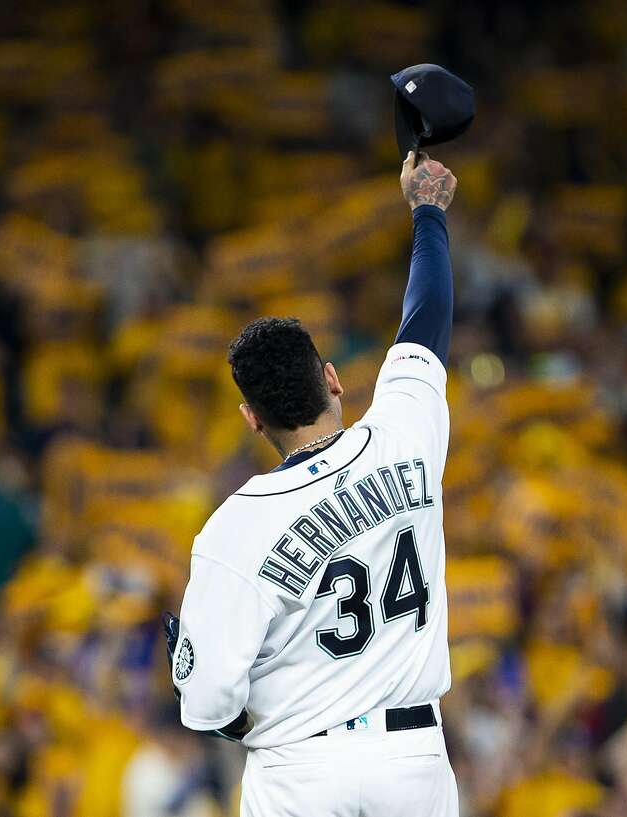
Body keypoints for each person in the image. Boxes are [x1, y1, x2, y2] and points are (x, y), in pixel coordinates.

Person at [165, 151, 460, 817]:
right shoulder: (404, 431)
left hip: (299, 765)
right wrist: (428, 214)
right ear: (332, 378)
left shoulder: (232, 529)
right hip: (413, 760)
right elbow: (427, 316)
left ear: (251, 418)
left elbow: (209, 706)